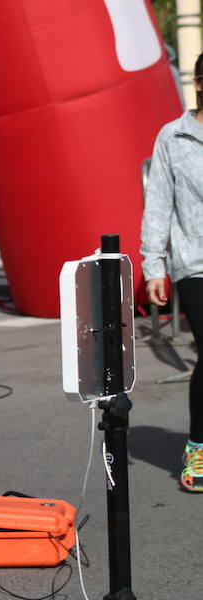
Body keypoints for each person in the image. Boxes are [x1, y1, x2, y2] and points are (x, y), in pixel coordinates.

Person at [141, 52, 203, 493]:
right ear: (200, 83)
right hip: (196, 264)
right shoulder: (174, 136)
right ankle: (198, 446)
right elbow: (159, 204)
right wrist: (154, 263)